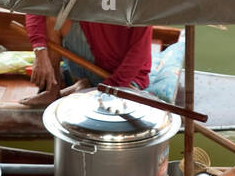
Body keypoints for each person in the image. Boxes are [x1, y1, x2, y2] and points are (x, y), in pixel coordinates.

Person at [23, 13, 153, 107]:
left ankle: (86, 86)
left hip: (127, 79)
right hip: (94, 58)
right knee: (54, 18)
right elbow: (37, 2)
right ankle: (52, 91)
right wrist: (40, 52)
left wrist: (108, 89)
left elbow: (139, 53)